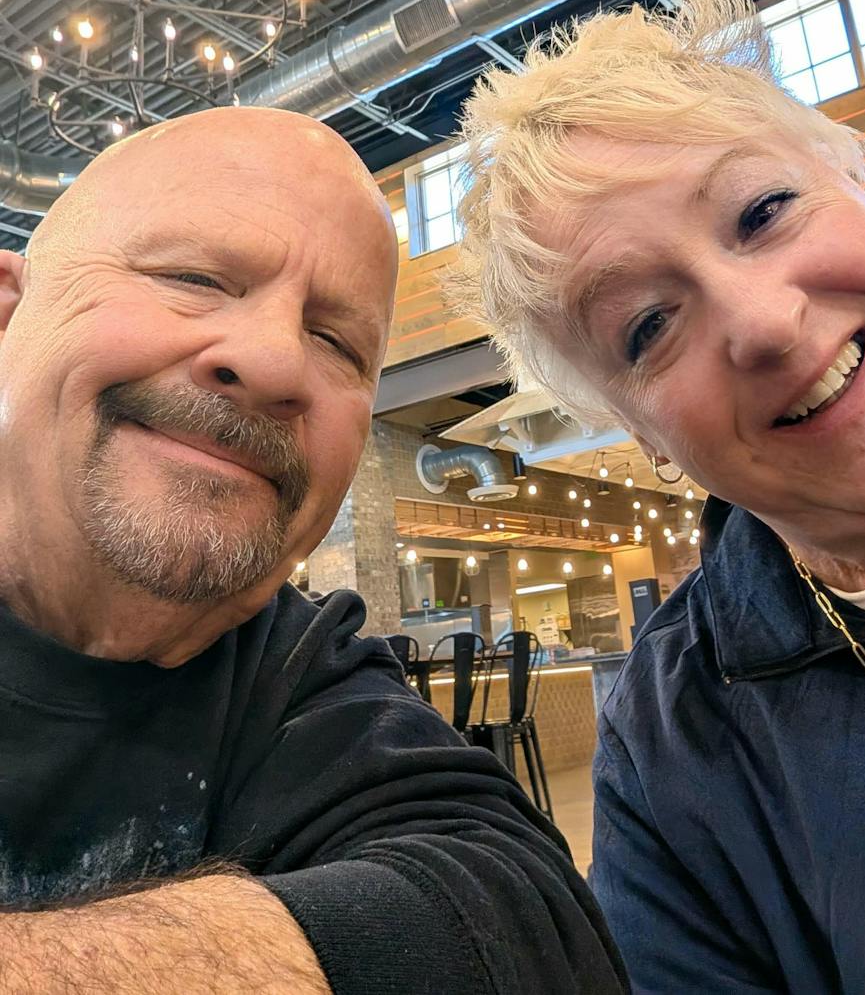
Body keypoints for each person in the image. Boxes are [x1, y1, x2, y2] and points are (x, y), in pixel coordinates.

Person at [450, 0, 865, 992]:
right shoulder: (678, 757)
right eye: (648, 326)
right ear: (641, 433)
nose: (763, 323)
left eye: (763, 211)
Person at [0, 107, 627, 994]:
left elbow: (529, 931)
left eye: (335, 341)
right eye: (193, 277)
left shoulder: (302, 670)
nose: (274, 361)